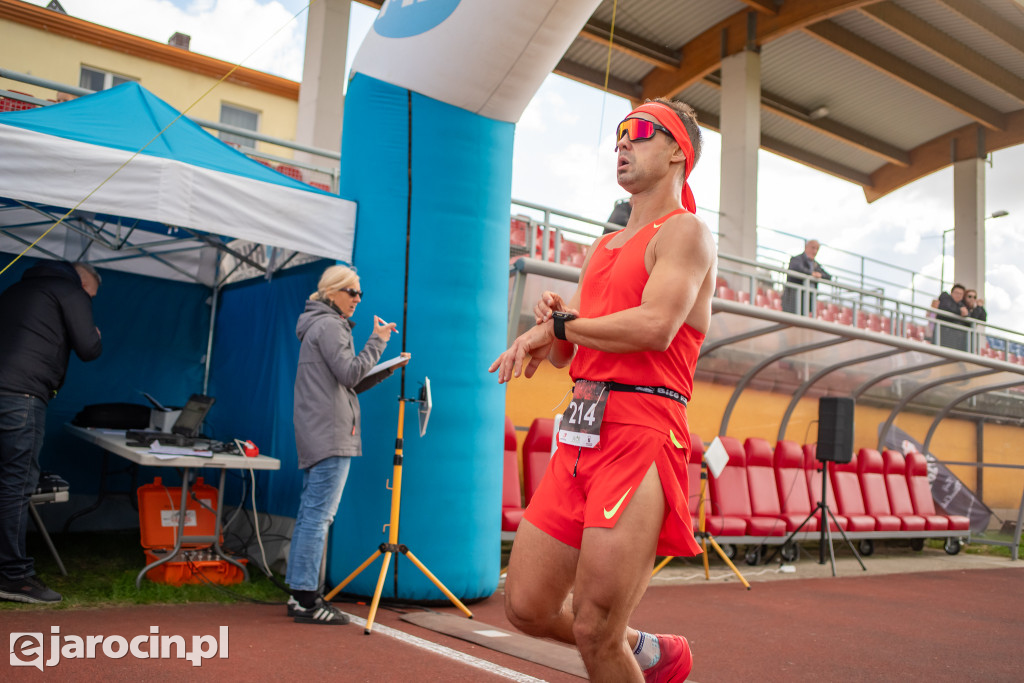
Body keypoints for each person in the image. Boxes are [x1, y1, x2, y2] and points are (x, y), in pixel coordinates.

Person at [490, 98, 716, 682]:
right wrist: (558, 326)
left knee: (593, 628)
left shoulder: (685, 232)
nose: (623, 142)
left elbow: (654, 326)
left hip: (643, 431)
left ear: (677, 152)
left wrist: (560, 326)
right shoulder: (605, 245)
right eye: (619, 134)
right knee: (526, 606)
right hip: (583, 427)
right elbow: (576, 354)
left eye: (640, 132)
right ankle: (644, 650)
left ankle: (619, 646)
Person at [285, 264, 407, 625]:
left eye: (359, 293)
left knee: (311, 514)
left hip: (318, 429)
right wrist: (378, 342)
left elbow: (346, 382)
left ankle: (300, 595)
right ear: (332, 292)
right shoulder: (331, 325)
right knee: (318, 517)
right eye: (351, 291)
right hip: (331, 432)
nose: (357, 299)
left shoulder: (316, 326)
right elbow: (351, 373)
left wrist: (386, 366)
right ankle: (307, 599)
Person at [0, 259, 102, 604]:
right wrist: (96, 333)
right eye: (91, 294)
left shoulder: (16, 289)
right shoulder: (71, 290)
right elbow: (89, 347)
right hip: (21, 396)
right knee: (15, 485)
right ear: (83, 281)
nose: (88, 299)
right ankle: (13, 576)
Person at [781, 239, 832, 315]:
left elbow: (828, 276)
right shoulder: (796, 259)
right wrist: (812, 274)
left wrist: (819, 275)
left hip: (807, 303)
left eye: (817, 249)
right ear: (806, 247)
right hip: (793, 300)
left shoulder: (816, 265)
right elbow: (798, 269)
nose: (815, 251)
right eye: (813, 248)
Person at [931, 284, 969, 350]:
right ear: (951, 293)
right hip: (942, 338)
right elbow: (945, 307)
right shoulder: (945, 297)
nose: (958, 295)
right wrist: (960, 311)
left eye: (961, 294)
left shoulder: (961, 305)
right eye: (956, 293)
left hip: (955, 343)